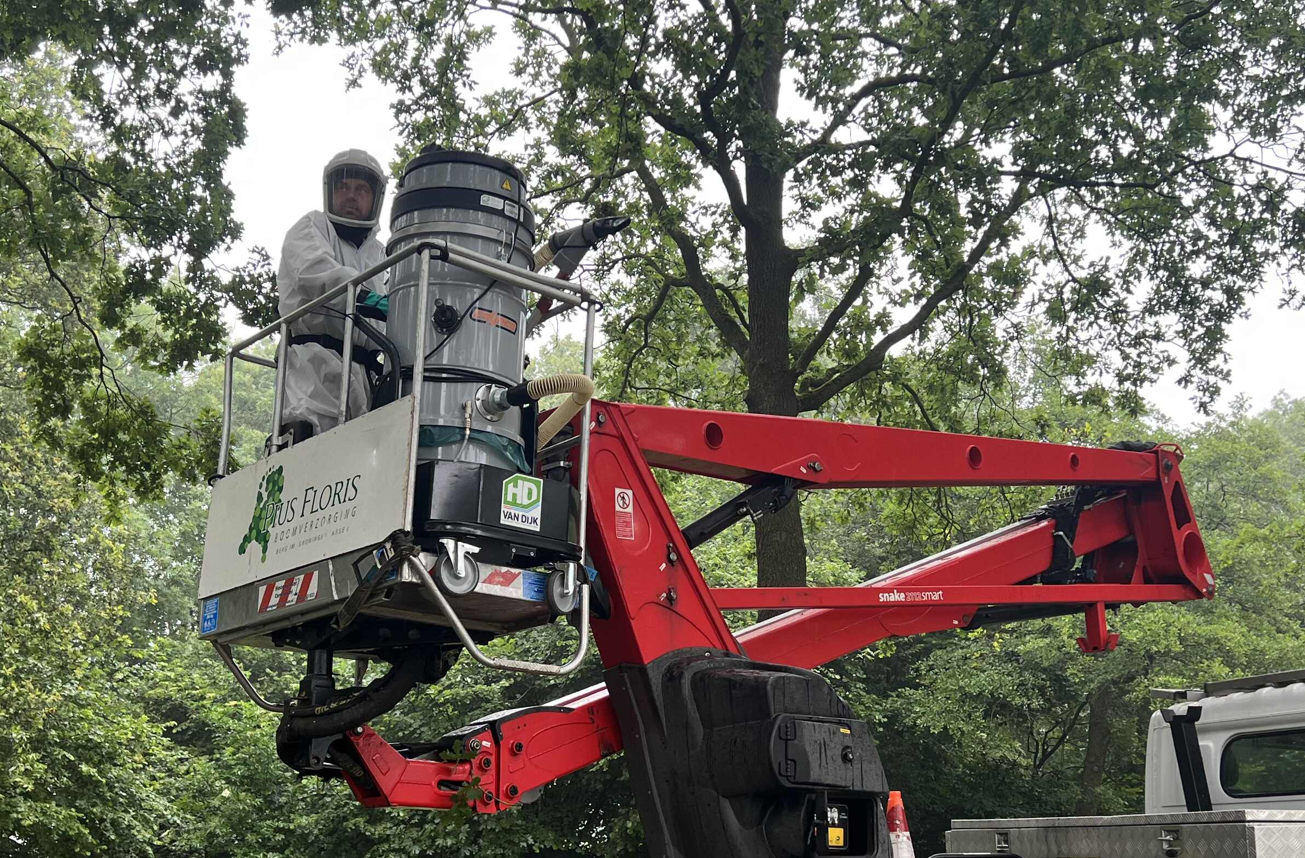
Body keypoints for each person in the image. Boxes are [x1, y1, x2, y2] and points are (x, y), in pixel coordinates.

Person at [277, 149, 390, 438]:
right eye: (343, 187)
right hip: (314, 370)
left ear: (375, 198)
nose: (351, 196)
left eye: (361, 189)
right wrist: (367, 299)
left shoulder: (382, 254)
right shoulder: (312, 227)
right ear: (330, 191)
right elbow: (315, 273)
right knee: (313, 444)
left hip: (367, 377)